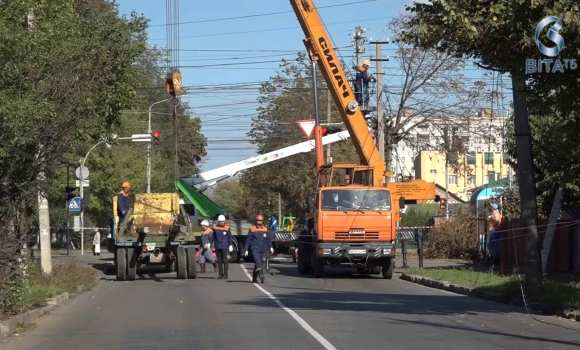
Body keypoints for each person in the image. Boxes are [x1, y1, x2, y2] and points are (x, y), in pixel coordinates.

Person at [242, 215, 273, 283]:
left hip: (262, 249)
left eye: (260, 221)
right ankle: (261, 274)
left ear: (262, 221)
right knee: (258, 261)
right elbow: (248, 240)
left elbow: (267, 239)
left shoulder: (265, 229)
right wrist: (246, 249)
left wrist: (270, 247)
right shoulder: (252, 229)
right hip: (254, 248)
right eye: (258, 220)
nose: (259, 222)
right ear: (256, 221)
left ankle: (254, 278)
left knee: (257, 264)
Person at [211, 215, 233, 279]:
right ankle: (220, 274)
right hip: (217, 246)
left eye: (222, 221)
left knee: (225, 260)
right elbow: (213, 236)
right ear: (218, 221)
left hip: (224, 246)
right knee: (219, 261)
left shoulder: (227, 228)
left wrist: (230, 245)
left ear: (224, 221)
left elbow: (229, 237)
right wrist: (209, 242)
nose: (221, 222)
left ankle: (226, 274)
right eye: (220, 221)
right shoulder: (215, 228)